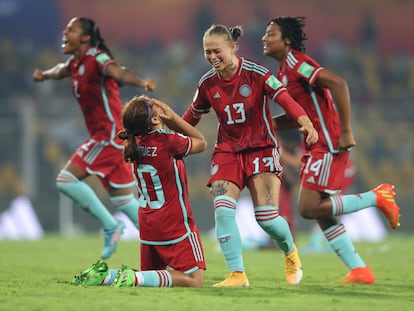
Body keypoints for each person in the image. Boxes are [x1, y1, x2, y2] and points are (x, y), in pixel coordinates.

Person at [262, 16, 400, 284]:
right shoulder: (282, 72)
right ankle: (359, 269)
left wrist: (346, 130)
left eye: (271, 33)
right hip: (316, 143)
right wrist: (268, 124)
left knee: (308, 207)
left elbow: (337, 83)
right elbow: (298, 115)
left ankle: (378, 196)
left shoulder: (296, 62)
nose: (264, 38)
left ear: (287, 40)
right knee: (321, 211)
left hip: (327, 143)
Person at [182, 24, 318, 287]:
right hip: (227, 152)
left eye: (216, 51)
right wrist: (169, 136)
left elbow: (286, 99)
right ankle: (237, 274)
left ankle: (290, 253)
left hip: (261, 149)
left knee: (266, 218)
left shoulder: (257, 73)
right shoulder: (207, 83)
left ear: (233, 47)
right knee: (222, 212)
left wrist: (306, 123)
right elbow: (191, 117)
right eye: (207, 52)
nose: (212, 57)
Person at [32, 17, 157, 260]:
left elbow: (116, 72)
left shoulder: (96, 57)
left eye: (71, 30)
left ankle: (111, 227)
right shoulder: (74, 64)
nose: (65, 33)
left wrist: (140, 81)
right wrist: (45, 75)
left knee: (65, 180)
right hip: (113, 138)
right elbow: (60, 70)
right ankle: (165, 244)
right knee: (123, 201)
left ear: (86, 38)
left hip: (108, 136)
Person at [71, 95, 207, 287]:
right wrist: (173, 117)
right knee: (194, 280)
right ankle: (133, 278)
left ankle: (106, 275)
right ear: (154, 119)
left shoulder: (134, 144)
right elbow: (201, 142)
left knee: (150, 276)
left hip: (148, 223)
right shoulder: (166, 141)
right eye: (154, 105)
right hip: (174, 223)